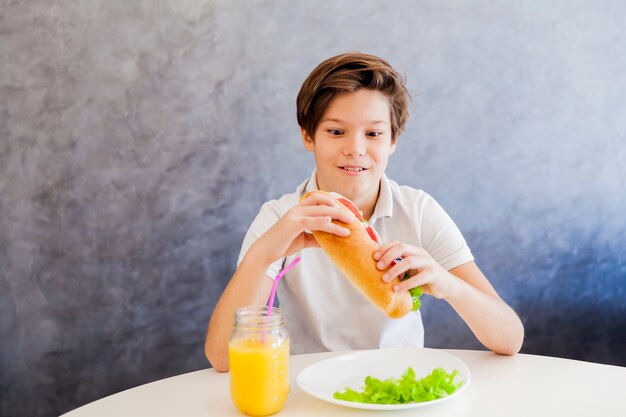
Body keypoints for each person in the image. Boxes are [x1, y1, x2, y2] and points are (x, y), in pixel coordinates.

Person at [205, 52, 524, 372]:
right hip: (309, 390)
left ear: (393, 140)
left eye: (373, 134)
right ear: (307, 136)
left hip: (400, 388)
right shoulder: (280, 217)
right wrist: (263, 254)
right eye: (335, 131)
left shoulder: (418, 211)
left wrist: (446, 283)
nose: (356, 148)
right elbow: (222, 358)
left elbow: (510, 339)